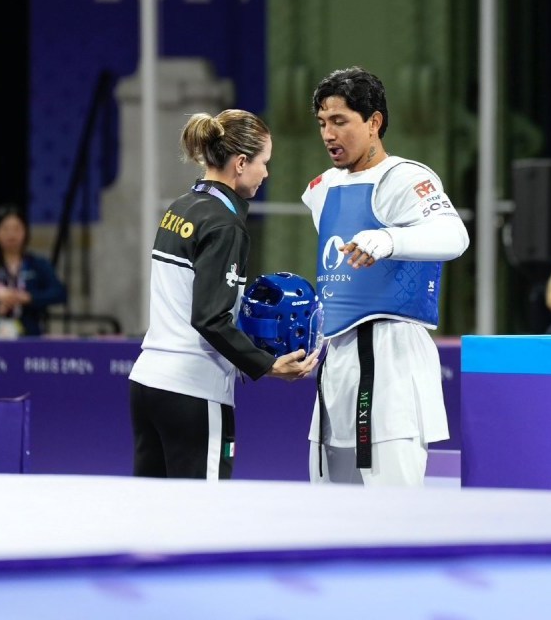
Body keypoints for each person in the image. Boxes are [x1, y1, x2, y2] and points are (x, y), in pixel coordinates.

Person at [129, 111, 319, 481]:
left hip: (148, 384)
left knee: (153, 519)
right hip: (192, 391)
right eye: (264, 163)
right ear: (241, 163)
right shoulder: (224, 223)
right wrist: (268, 364)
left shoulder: (180, 207)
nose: (266, 173)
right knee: (202, 522)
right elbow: (209, 317)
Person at [302, 67, 469, 486]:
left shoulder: (406, 178)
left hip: (392, 360)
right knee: (326, 512)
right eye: (322, 123)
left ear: (374, 122)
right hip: (335, 361)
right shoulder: (320, 189)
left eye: (340, 121)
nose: (328, 134)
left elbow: (455, 235)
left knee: (391, 515)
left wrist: (389, 239)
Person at [0, 204, 68, 338]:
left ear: (25, 232)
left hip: (29, 335)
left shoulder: (38, 264)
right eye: (5, 229)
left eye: (16, 229)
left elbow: (59, 293)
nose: (11, 234)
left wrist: (28, 298)